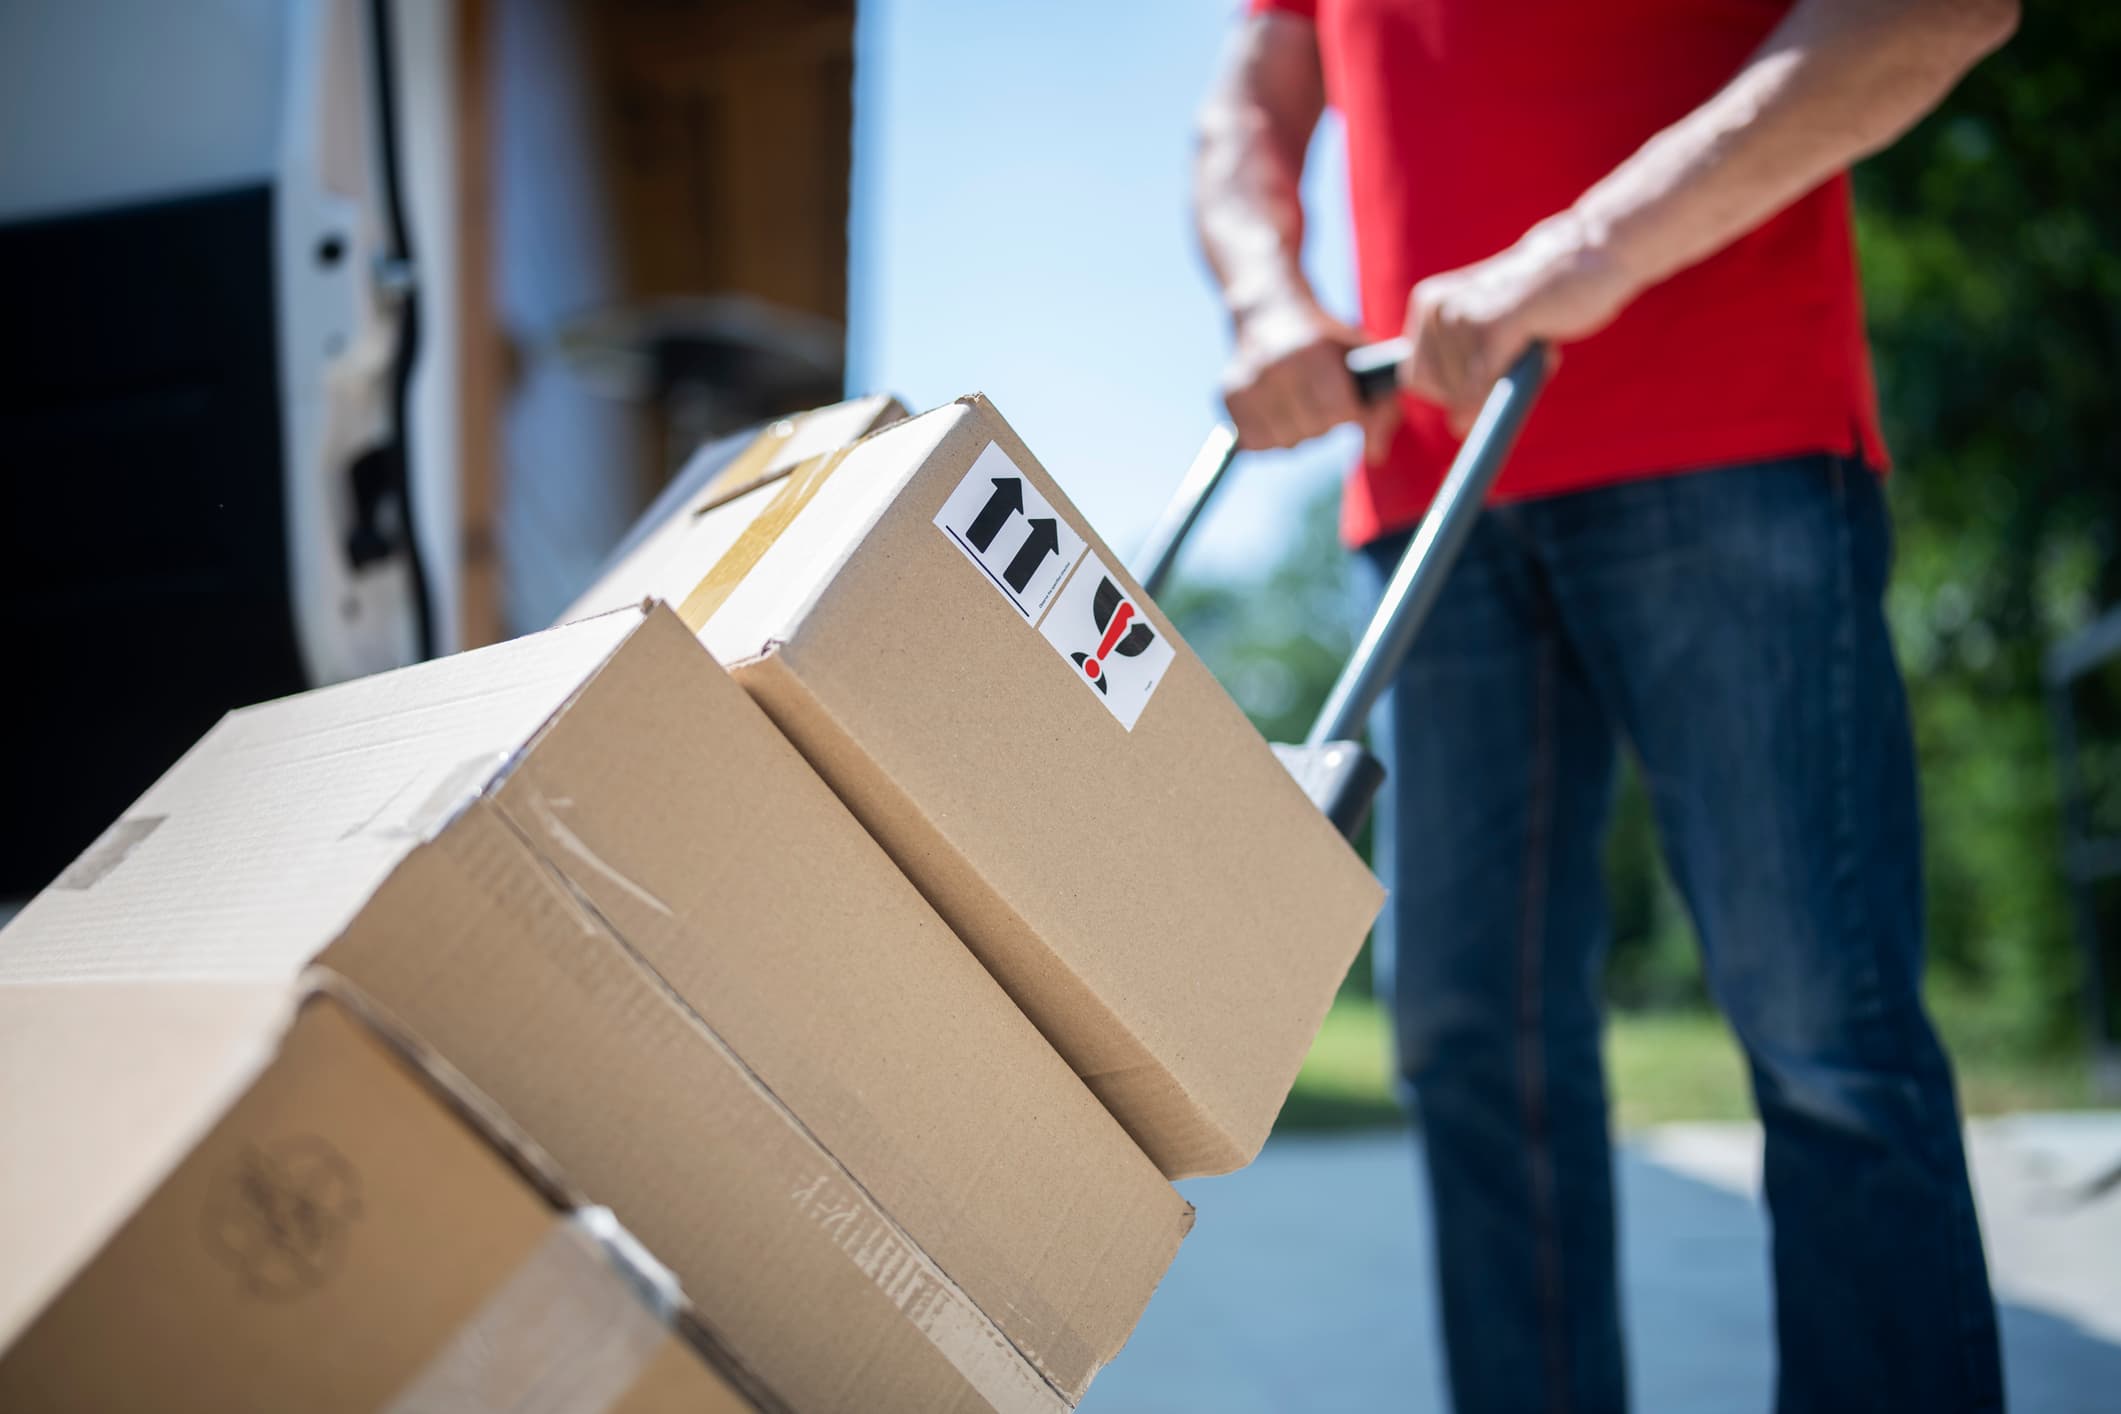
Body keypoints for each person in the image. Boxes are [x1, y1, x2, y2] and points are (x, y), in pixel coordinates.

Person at [1192, 2, 2019, 1410]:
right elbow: (1248, 103)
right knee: (1466, 1048)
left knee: (1826, 1036)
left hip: (1727, 432)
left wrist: (1585, 249)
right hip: (1434, 492)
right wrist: (1268, 293)